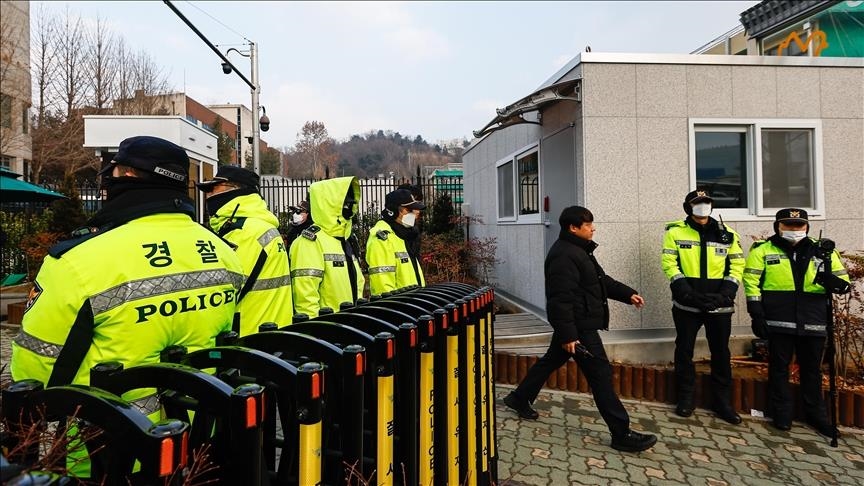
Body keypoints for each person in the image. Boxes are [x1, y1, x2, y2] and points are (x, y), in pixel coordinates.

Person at [11, 135, 243, 424]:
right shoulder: (225, 253)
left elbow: (34, 375)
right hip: (201, 443)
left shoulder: (77, 261)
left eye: (114, 171)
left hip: (105, 450)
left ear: (128, 175)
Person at [503, 206, 657, 452]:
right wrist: (568, 334)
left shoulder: (578, 251)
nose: (593, 228)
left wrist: (628, 294)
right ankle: (621, 433)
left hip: (576, 325)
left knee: (551, 361)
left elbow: (600, 281)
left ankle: (519, 398)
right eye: (588, 225)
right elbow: (559, 299)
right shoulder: (564, 256)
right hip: (579, 327)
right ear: (573, 228)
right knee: (601, 376)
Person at [743, 208, 850, 436]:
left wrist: (833, 279)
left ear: (807, 227)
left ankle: (817, 416)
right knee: (778, 369)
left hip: (813, 320)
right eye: (788, 225)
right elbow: (751, 282)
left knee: (812, 370)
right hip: (778, 319)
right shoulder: (763, 250)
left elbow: (843, 281)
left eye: (799, 225)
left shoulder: (822, 250)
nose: (794, 230)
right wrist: (757, 313)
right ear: (778, 226)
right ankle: (781, 413)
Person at [661, 189, 745, 424]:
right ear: (688, 207)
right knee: (684, 350)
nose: (703, 206)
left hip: (720, 305)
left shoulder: (727, 234)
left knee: (721, 353)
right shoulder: (675, 232)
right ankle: (686, 398)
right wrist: (686, 292)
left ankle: (722, 403)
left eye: (706, 202)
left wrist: (726, 294)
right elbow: (669, 262)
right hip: (687, 304)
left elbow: (737, 265)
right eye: (698, 203)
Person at [197, 165, 293, 334]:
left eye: (214, 188)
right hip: (269, 330)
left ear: (235, 190)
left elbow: (219, 295)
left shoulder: (243, 232)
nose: (208, 195)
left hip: (247, 335)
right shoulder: (259, 226)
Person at [290, 176, 365, 317]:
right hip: (326, 331)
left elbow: (358, 285)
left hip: (351, 326)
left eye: (350, 204)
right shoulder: (310, 242)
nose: (349, 208)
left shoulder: (343, 239)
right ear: (330, 205)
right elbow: (305, 299)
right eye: (345, 204)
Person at [366, 188, 426, 295]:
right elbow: (383, 287)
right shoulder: (382, 239)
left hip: (414, 306)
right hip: (398, 308)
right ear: (393, 211)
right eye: (409, 210)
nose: (416, 213)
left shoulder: (404, 235)